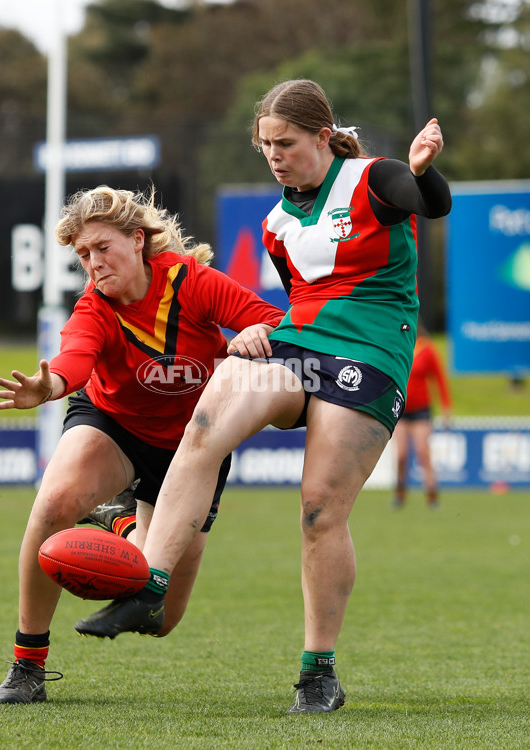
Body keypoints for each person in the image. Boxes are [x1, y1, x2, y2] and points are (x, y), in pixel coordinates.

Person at [73, 79, 452, 715]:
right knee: (206, 424)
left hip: (371, 352)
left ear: (323, 137)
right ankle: (149, 584)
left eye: (286, 143)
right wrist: (256, 329)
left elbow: (428, 205)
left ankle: (317, 671)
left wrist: (422, 170)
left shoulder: (374, 178)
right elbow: (301, 299)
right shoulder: (277, 221)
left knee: (319, 511)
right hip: (301, 340)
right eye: (265, 146)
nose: (274, 155)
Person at [0, 185, 285, 704]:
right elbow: (75, 362)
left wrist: (251, 336)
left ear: (137, 239)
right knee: (54, 503)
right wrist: (49, 386)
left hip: (193, 447)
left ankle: (119, 516)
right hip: (114, 424)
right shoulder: (93, 309)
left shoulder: (192, 283)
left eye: (103, 247)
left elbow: (276, 323)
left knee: (160, 617)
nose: (94, 263)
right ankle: (27, 663)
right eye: (83, 255)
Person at [392, 324, 452, 509]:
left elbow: (439, 378)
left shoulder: (427, 349)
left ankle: (432, 494)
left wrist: (446, 406)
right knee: (401, 454)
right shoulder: (398, 347)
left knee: (422, 452)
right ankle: (400, 492)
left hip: (421, 411)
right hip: (400, 410)